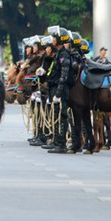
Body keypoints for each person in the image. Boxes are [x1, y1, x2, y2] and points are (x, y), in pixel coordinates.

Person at [45, 26, 75, 154]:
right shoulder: (58, 53)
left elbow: (64, 74)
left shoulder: (63, 54)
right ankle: (57, 141)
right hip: (55, 89)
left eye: (54, 37)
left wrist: (58, 93)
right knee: (55, 115)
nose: (52, 40)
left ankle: (61, 143)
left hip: (61, 90)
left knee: (62, 116)